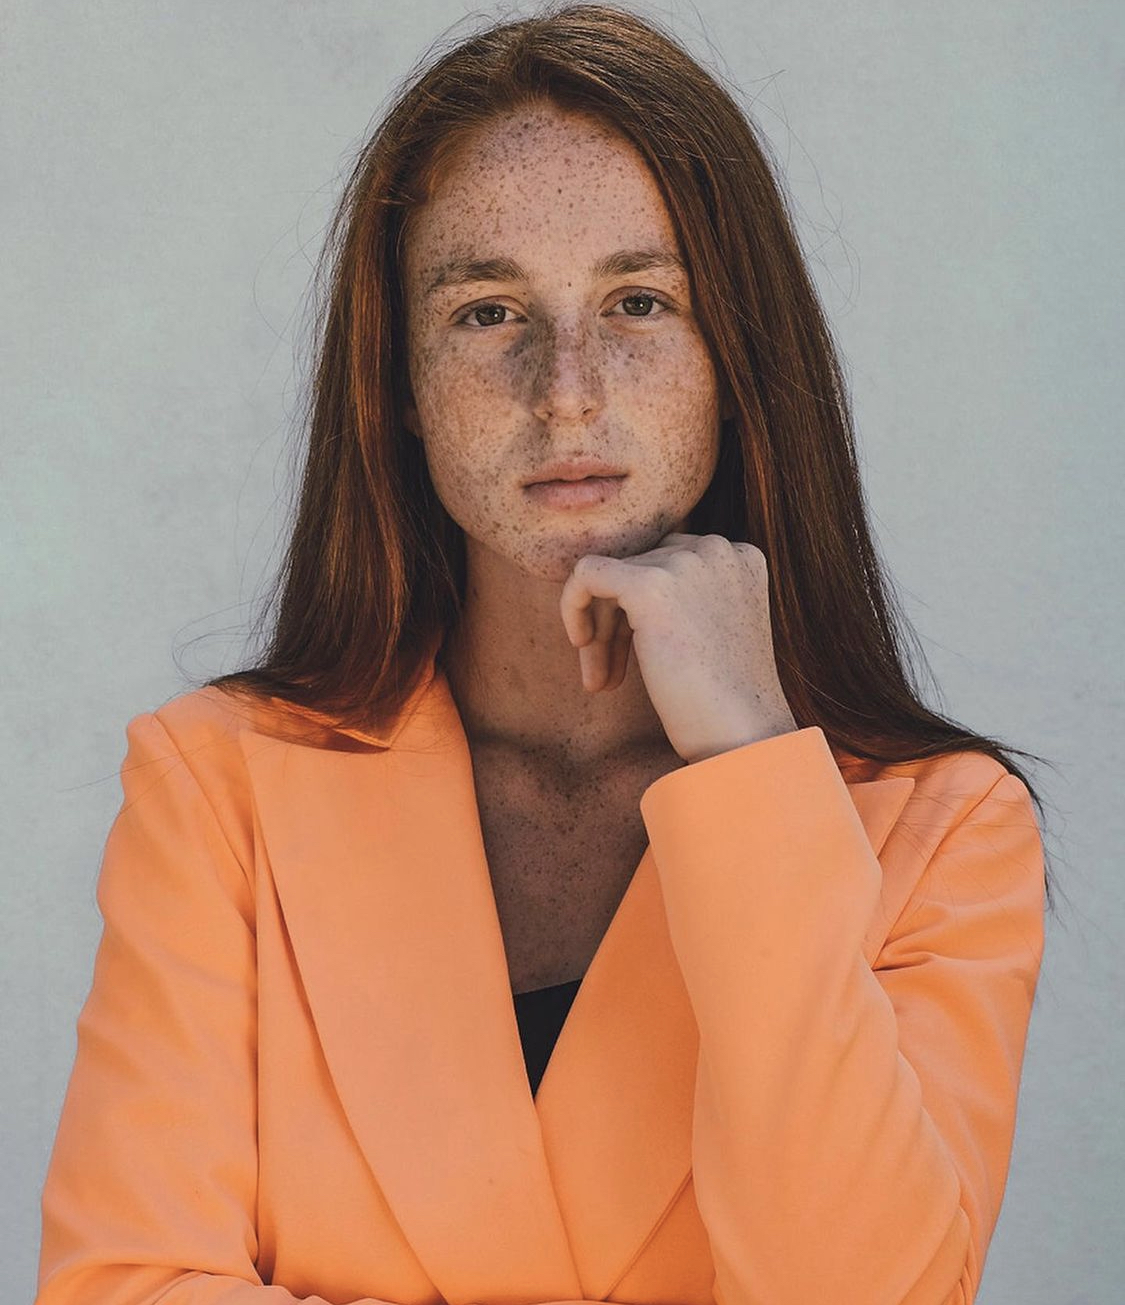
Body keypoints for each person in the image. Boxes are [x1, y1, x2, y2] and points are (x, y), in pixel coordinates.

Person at [34, 4, 1051, 1304]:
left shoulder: (944, 829)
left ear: (734, 359)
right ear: (398, 380)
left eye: (639, 302)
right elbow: (120, 1286)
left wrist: (754, 767)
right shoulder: (218, 788)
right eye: (487, 311)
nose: (566, 389)